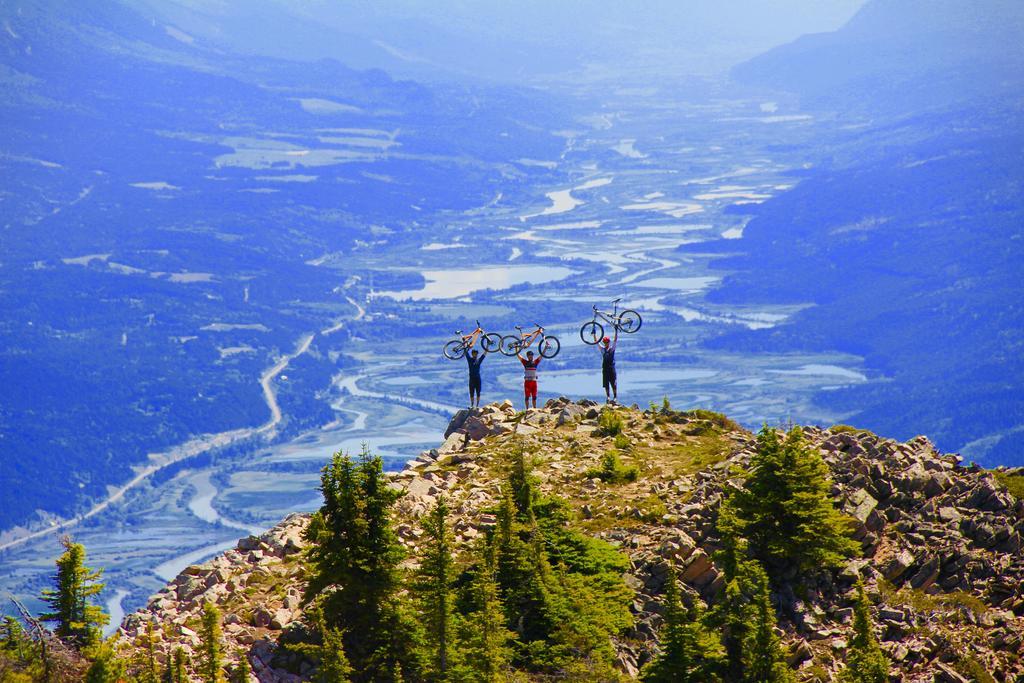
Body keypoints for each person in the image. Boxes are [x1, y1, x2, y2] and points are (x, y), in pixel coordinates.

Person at [596, 326, 618, 403]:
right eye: (604, 342)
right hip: (605, 369)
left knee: (613, 383)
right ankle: (608, 397)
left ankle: (615, 397)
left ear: (609, 342)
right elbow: (597, 342)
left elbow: (615, 340)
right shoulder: (603, 350)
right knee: (606, 384)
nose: (606, 344)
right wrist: (594, 335)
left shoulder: (612, 349)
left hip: (611, 368)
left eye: (607, 342)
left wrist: (616, 331)